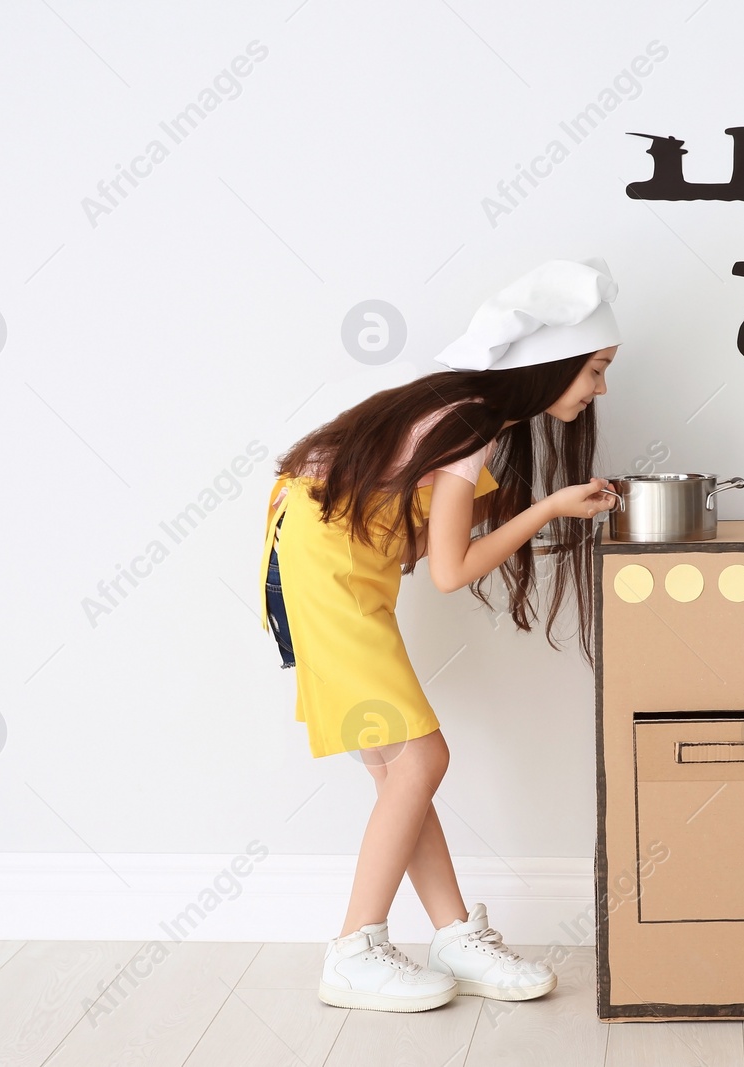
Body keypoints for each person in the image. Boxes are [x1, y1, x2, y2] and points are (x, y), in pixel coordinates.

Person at [258, 257, 622, 1012]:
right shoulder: (469, 423)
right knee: (423, 754)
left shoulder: (468, 412)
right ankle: (355, 948)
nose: (600, 390)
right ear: (547, 367)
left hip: (333, 562)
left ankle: (452, 932)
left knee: (402, 767)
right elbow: (452, 571)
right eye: (594, 370)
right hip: (327, 571)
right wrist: (549, 509)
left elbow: (422, 547)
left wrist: (536, 506)